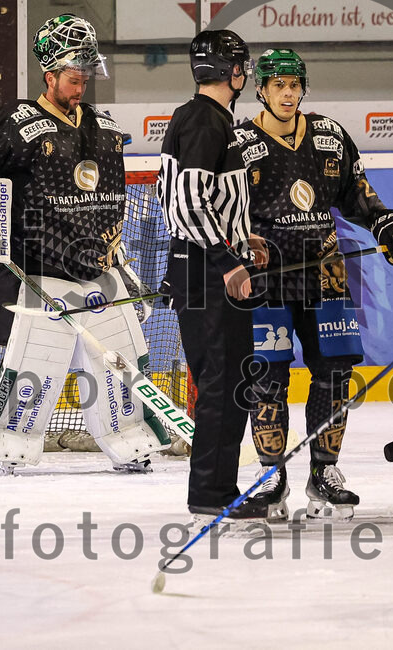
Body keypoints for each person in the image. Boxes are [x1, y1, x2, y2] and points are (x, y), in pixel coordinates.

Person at [0, 13, 169, 473]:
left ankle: (130, 443)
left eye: (87, 75)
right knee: (34, 365)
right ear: (49, 74)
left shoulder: (105, 127)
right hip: (38, 270)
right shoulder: (18, 122)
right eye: (73, 76)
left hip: (99, 267)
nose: (82, 84)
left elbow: (111, 194)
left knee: (118, 362)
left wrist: (117, 250)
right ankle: (15, 446)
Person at [234, 48, 393, 522]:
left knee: (335, 373)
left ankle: (324, 471)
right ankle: (272, 474)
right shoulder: (237, 143)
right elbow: (224, 211)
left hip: (326, 272)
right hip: (266, 277)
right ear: (261, 90)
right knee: (266, 375)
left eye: (294, 86)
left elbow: (360, 194)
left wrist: (386, 220)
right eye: (278, 86)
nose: (288, 94)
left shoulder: (330, 136)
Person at [157, 29, 272, 523]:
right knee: (222, 383)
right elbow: (187, 203)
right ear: (233, 71)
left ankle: (218, 487)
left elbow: (201, 202)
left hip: (206, 262)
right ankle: (210, 492)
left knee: (232, 380)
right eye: (242, 65)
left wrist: (246, 242)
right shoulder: (205, 121)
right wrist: (229, 262)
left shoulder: (206, 118)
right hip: (208, 271)